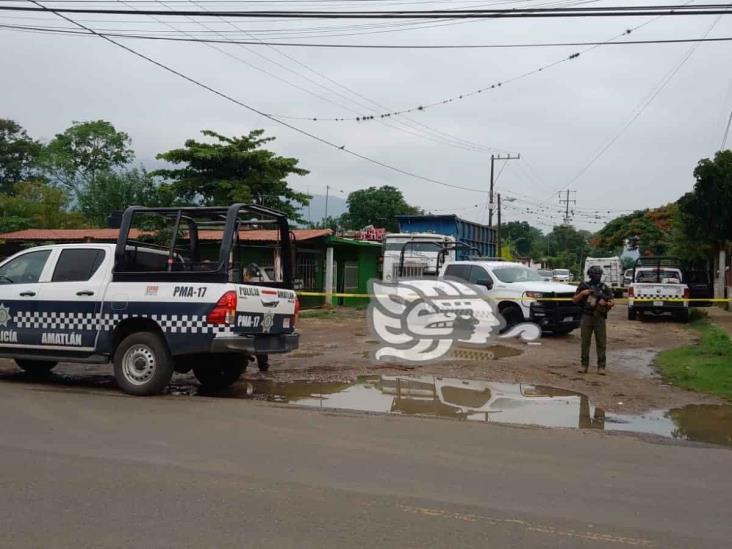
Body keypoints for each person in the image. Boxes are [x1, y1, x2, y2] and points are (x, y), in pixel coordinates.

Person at [573, 265, 614, 374]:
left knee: (601, 343)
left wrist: (605, 303)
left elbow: (612, 302)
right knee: (585, 343)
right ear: (590, 274)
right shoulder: (584, 286)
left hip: (599, 317)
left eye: (600, 274)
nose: (598, 276)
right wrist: (582, 293)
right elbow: (574, 300)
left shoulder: (604, 288)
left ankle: (601, 367)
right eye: (596, 274)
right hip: (586, 317)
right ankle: (584, 365)